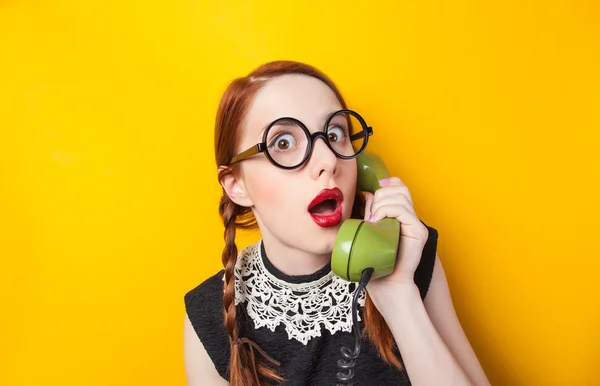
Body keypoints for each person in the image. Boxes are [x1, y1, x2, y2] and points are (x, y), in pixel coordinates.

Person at [183, 61, 490, 386]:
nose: (328, 160)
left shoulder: (411, 255)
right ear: (237, 185)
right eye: (284, 143)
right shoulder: (208, 316)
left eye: (334, 134)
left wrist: (400, 300)